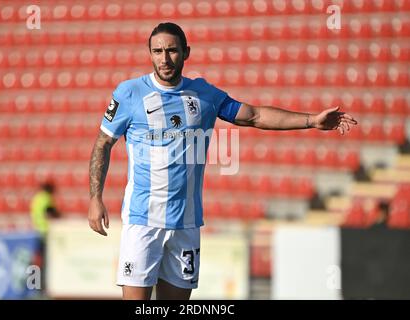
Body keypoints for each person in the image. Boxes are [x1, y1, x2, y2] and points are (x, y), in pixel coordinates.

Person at [87, 22, 358, 300]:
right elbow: (103, 142)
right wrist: (95, 198)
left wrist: (311, 120)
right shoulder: (130, 93)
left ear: (186, 52)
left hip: (187, 223)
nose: (164, 59)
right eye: (157, 51)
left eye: (172, 51)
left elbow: (254, 116)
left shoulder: (204, 95)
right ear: (150, 54)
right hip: (143, 222)